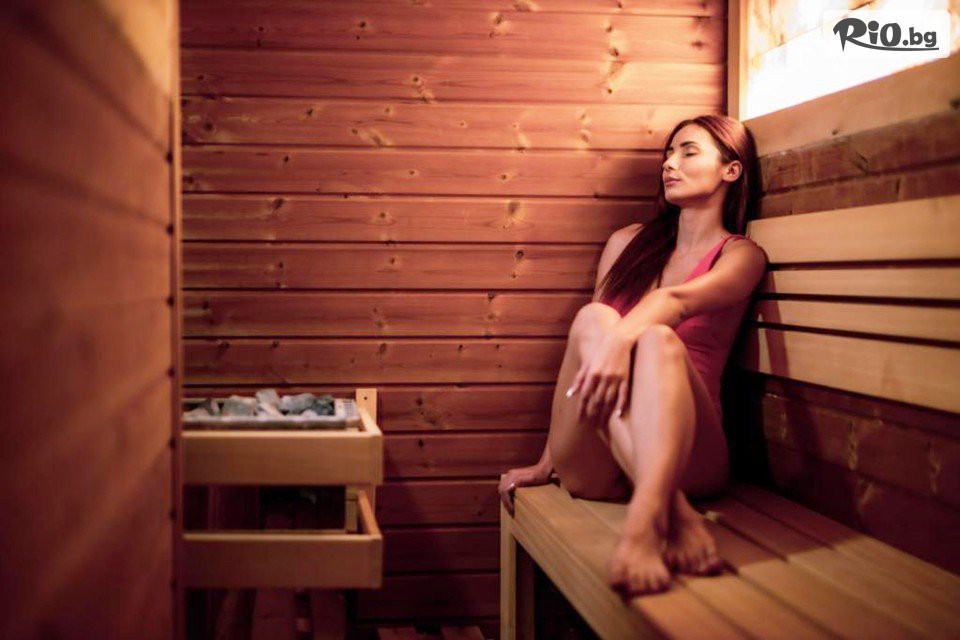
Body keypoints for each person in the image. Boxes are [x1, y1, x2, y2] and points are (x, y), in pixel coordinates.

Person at [497, 114, 768, 598]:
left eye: (688, 152)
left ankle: (643, 524)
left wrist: (623, 339)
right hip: (598, 456)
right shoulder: (626, 244)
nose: (670, 163)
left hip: (691, 452)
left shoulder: (741, 256)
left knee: (658, 340)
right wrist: (545, 462)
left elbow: (674, 302)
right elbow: (587, 354)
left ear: (731, 170)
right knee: (592, 319)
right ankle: (675, 513)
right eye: (668, 153)